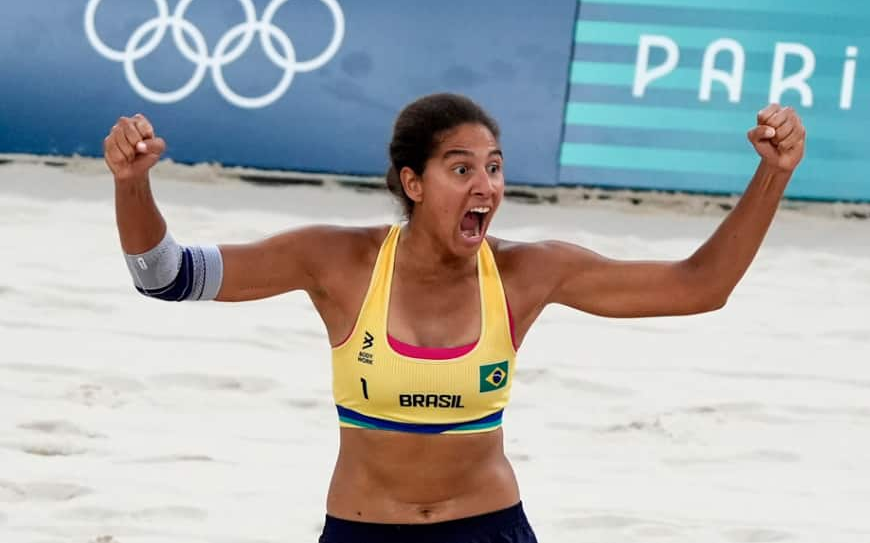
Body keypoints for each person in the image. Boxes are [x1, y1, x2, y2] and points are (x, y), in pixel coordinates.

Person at [103, 93, 805, 543]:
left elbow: (699, 286)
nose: (486, 186)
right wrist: (132, 187)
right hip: (363, 532)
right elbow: (163, 275)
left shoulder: (528, 272)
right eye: (462, 168)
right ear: (413, 183)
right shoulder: (337, 261)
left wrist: (773, 175)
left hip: (489, 529)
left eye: (495, 168)